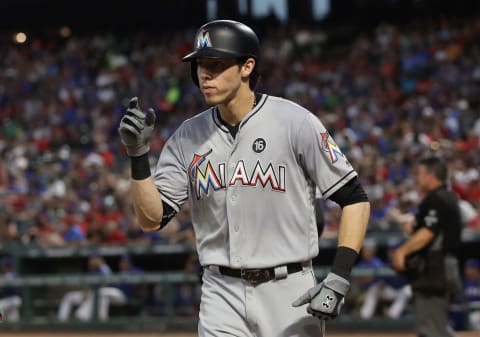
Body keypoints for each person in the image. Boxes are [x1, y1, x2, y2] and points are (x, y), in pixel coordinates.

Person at [118, 19, 370, 337]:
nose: (204, 74)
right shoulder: (187, 136)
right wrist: (138, 157)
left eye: (217, 64)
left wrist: (339, 276)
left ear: (247, 66)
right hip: (220, 292)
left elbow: (355, 199)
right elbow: (151, 220)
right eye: (199, 65)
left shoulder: (294, 122)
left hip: (288, 290)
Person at [393, 156, 463, 337]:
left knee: (430, 330)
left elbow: (428, 232)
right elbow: (424, 227)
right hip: (443, 267)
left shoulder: (437, 198)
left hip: (436, 269)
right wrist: (413, 226)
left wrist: (403, 251)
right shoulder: (445, 197)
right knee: (437, 328)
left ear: (431, 175)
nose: (417, 178)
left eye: (420, 174)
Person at [57, 254, 127, 322]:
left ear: (99, 259)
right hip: (96, 294)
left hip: (114, 294)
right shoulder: (91, 270)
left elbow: (105, 284)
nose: (91, 261)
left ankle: (94, 319)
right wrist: (85, 292)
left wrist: (102, 264)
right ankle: (62, 320)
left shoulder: (104, 268)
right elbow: (87, 285)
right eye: (90, 259)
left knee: (99, 294)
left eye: (93, 259)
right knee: (69, 296)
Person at [0, 257, 22, 322]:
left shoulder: (12, 275)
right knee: (12, 318)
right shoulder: (4, 275)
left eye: (4, 266)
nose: (2, 268)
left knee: (0, 307)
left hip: (13, 299)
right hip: (7, 300)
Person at [463, 258, 480, 331]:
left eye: (468, 268)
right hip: (468, 313)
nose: (466, 271)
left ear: (475, 269)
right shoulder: (466, 283)